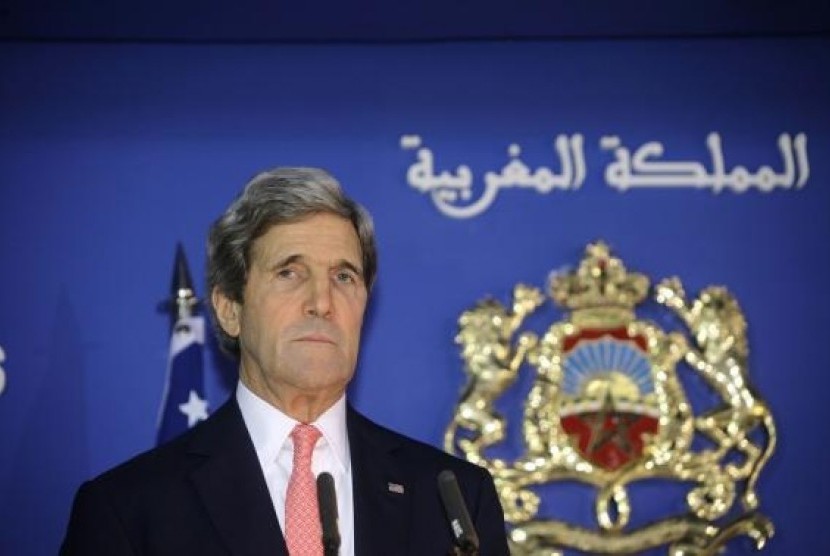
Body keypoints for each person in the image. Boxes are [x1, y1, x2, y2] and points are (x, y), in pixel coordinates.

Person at [60, 167, 510, 555]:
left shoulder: (455, 503)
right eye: (289, 273)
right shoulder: (131, 510)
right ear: (229, 309)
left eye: (344, 276)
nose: (322, 301)